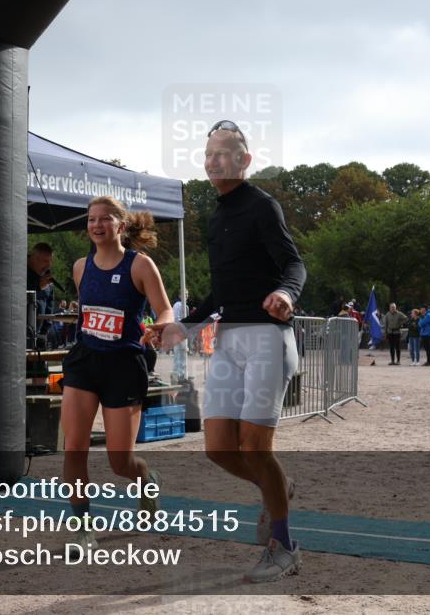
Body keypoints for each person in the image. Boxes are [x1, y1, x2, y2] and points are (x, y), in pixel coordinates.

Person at [151, 120, 306, 582]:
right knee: (218, 448)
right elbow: (219, 294)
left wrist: (286, 293)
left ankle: (284, 547)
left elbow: (294, 262)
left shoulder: (262, 205)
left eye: (223, 153)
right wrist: (182, 327)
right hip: (228, 339)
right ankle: (277, 486)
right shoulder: (216, 216)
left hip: (267, 337)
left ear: (244, 160)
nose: (213, 160)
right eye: (208, 153)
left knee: (255, 448)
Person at [60, 196, 173, 558]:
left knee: (119, 461)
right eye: (91, 219)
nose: (96, 225)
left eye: (104, 219)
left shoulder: (140, 265)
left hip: (124, 365)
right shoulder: (81, 267)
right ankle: (82, 529)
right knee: (74, 447)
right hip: (85, 360)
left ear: (120, 226)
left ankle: (147, 480)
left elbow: (165, 310)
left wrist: (160, 326)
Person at [27, 242, 56, 339]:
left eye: (50, 261)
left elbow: (49, 307)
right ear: (33, 258)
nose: (49, 265)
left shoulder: (46, 277)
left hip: (39, 334)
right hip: (20, 332)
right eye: (45, 261)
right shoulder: (18, 269)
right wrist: (38, 287)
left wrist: (44, 332)